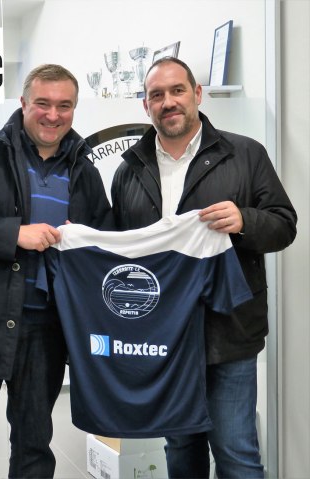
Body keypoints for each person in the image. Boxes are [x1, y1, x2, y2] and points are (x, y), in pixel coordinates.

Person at [110, 57, 297, 478]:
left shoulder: (245, 154)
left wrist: (244, 220)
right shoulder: (129, 170)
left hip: (229, 332)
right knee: (180, 449)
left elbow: (284, 226)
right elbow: (120, 251)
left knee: (236, 453)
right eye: (157, 95)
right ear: (146, 105)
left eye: (177, 90)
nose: (168, 102)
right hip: (164, 338)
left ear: (196, 94)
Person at [0, 64, 112, 478]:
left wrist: (88, 242)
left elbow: (104, 242)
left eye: (64, 106)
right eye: (43, 103)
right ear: (24, 103)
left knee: (34, 447)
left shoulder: (84, 170)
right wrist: (15, 233)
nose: (53, 115)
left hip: (47, 329)